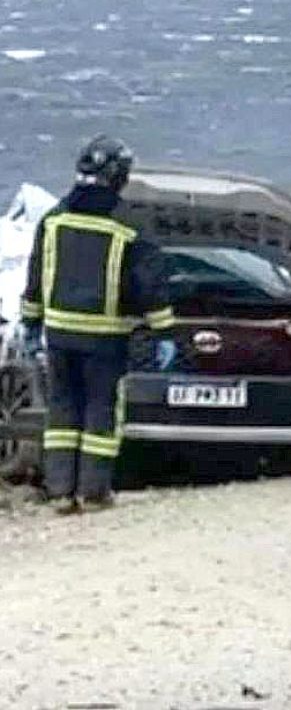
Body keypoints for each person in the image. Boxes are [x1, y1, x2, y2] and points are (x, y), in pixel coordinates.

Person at [20, 135, 175, 514]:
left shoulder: (54, 219)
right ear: (119, 175)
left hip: (58, 333)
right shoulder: (127, 225)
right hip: (105, 337)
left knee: (61, 412)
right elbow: (148, 283)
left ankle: (59, 492)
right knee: (100, 411)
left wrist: (30, 323)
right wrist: (163, 331)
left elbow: (37, 272)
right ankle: (93, 492)